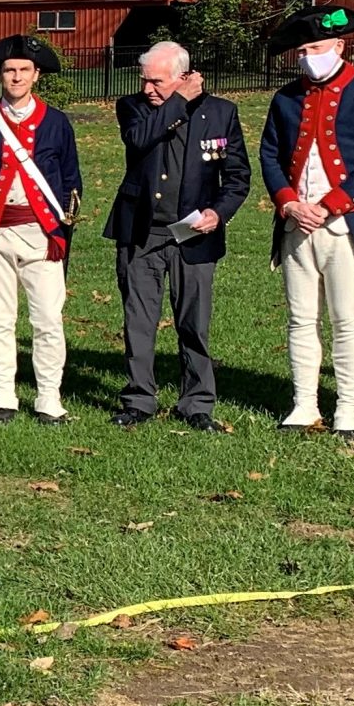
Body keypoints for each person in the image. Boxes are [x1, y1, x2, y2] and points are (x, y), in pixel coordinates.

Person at [259, 4, 354, 438]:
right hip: (297, 224)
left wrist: (333, 202)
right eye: (301, 50)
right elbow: (270, 154)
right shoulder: (286, 97)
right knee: (300, 319)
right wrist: (287, 201)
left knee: (347, 319)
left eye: (315, 47)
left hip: (347, 222)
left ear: (339, 46)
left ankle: (349, 410)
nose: (307, 57)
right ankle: (303, 404)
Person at [103, 41, 250, 429]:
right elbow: (139, 140)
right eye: (145, 80)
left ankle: (197, 402)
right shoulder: (132, 107)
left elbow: (237, 177)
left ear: (184, 77)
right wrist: (178, 101)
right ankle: (139, 398)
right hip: (141, 233)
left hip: (194, 235)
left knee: (194, 322)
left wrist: (218, 213)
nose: (149, 88)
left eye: (158, 81)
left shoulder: (221, 113)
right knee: (139, 320)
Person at [0, 35, 82, 424]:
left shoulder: (56, 122)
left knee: (48, 321)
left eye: (24, 70)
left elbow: (71, 180)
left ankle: (49, 397)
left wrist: (62, 229)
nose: (17, 77)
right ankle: (4, 395)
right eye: (10, 70)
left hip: (43, 235)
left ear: (36, 75)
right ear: (0, 76)